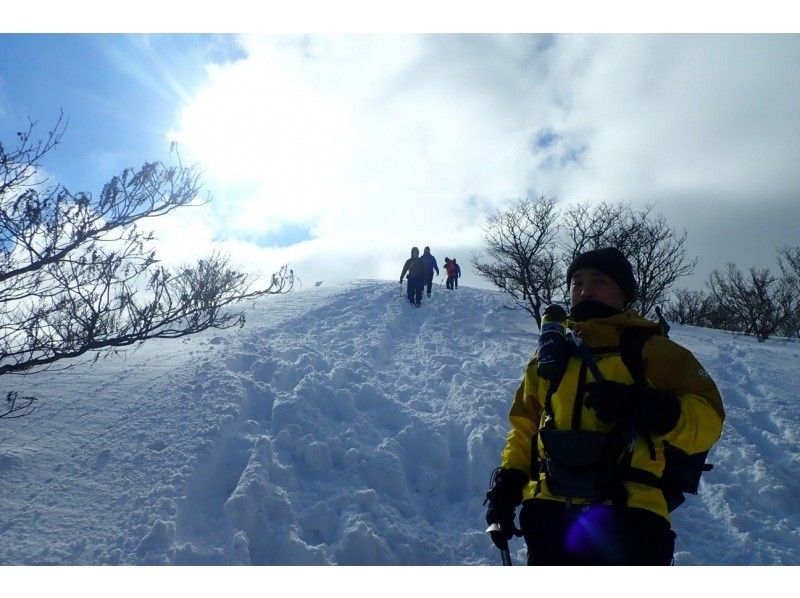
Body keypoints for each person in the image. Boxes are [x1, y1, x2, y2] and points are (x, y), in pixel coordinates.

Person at [484, 247, 724, 565]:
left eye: (599, 281)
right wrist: (506, 487)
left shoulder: (655, 351)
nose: (584, 290)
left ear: (623, 294)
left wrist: (648, 406)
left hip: (631, 515)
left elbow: (708, 421)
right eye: (577, 282)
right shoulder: (549, 358)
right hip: (549, 512)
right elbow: (526, 427)